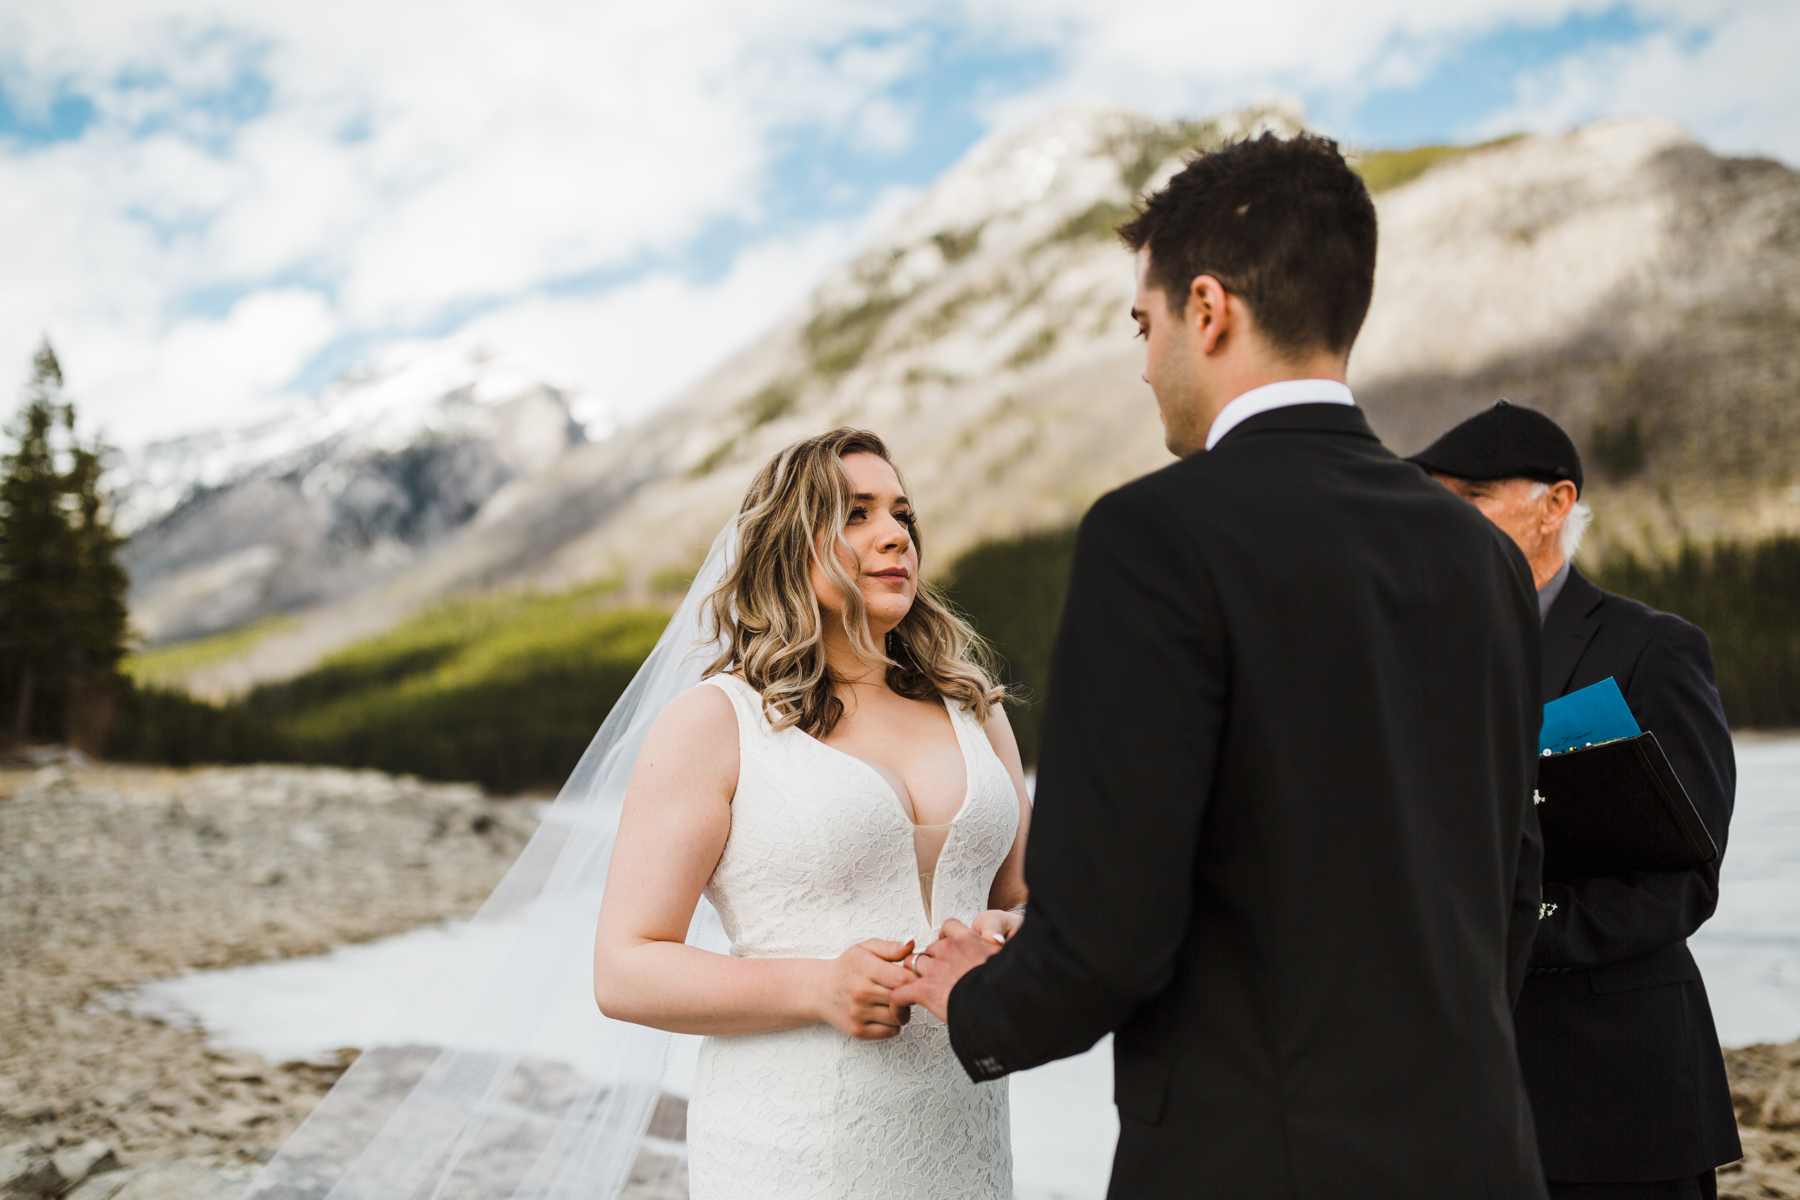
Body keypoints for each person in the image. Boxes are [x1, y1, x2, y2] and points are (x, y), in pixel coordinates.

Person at [896, 131, 1550, 1198]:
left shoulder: (1155, 536)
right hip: (1480, 1151)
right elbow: (1514, 880)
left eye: (1142, 325)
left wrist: (978, 999)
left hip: (1256, 1160)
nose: (1145, 361)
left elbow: (1111, 934)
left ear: (1209, 311)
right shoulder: (1481, 557)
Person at [591, 426, 1033, 1199]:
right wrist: (817, 986)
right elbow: (625, 968)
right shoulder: (716, 722)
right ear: (789, 546)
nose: (894, 534)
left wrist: (1011, 942)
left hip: (964, 1140)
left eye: (902, 515)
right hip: (792, 1142)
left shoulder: (974, 710)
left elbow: (1030, 903)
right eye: (855, 513)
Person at [1410, 400, 1742, 1199]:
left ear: (1555, 504)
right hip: (1451, 1106)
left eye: (1473, 498)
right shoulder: (1413, 660)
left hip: (1617, 1097)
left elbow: (1686, 878)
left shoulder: (1650, 651)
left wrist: (1517, 926)